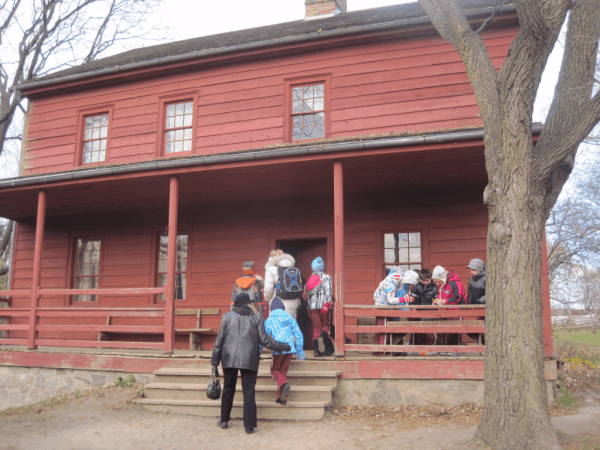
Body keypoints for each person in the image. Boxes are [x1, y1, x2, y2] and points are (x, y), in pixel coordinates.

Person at [211, 293, 291, 434]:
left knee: (228, 389)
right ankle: (249, 426)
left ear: (235, 303)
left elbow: (219, 342)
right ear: (249, 303)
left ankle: (224, 421)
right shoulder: (257, 317)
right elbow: (265, 341)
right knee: (249, 391)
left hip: (229, 358)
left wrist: (214, 364)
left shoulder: (227, 317)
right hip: (249, 358)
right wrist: (283, 346)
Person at [263, 297, 305, 405]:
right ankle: (281, 397)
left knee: (274, 370)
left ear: (272, 309)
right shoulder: (290, 318)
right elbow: (298, 335)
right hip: (290, 349)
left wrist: (258, 352)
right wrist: (300, 352)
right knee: (283, 372)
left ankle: (283, 386)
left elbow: (263, 338)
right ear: (283, 308)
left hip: (278, 349)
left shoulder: (269, 320)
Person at [306, 257, 334, 357]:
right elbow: (328, 291)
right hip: (324, 306)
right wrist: (327, 304)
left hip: (313, 307)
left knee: (316, 327)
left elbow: (308, 295)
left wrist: (309, 308)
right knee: (326, 325)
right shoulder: (327, 277)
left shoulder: (310, 279)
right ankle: (323, 337)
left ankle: (317, 350)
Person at [264, 250, 302, 320]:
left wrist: (268, 299)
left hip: (278, 302)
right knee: (290, 325)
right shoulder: (294, 269)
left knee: (278, 327)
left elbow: (268, 289)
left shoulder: (270, 269)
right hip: (293, 301)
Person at [409, 268, 438, 346]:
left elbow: (436, 298)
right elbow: (413, 298)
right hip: (419, 311)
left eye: (427, 280)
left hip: (430, 311)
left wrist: (435, 303)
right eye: (423, 280)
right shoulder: (417, 287)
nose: (425, 282)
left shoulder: (434, 287)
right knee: (420, 331)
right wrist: (413, 307)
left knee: (430, 331)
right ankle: (420, 348)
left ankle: (431, 347)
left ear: (430, 279)